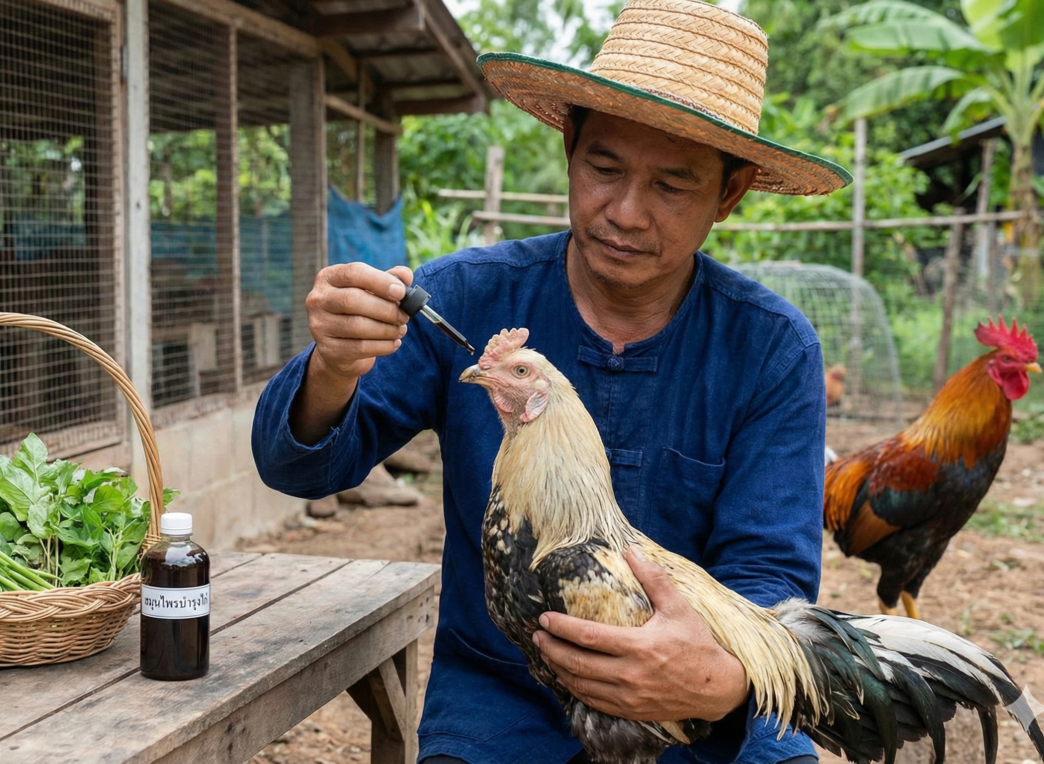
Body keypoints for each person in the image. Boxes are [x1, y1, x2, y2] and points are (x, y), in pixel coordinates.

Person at [251, 0, 850, 761]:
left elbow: (769, 571)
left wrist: (720, 677)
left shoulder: (771, 348)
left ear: (728, 195)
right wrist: (333, 365)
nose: (626, 213)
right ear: (569, 145)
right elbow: (298, 465)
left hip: (701, 701)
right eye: (604, 167)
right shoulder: (464, 297)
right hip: (506, 694)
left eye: (672, 185)